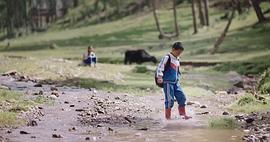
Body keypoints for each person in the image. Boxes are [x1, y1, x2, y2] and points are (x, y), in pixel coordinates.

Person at [156, 41, 192, 120]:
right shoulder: (167, 57)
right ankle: (168, 117)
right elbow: (160, 67)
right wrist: (160, 77)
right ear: (173, 49)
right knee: (170, 100)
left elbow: (177, 69)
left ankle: (183, 115)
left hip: (176, 83)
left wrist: (178, 76)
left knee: (182, 97)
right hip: (168, 82)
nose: (179, 54)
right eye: (178, 52)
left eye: (180, 53)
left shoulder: (177, 58)